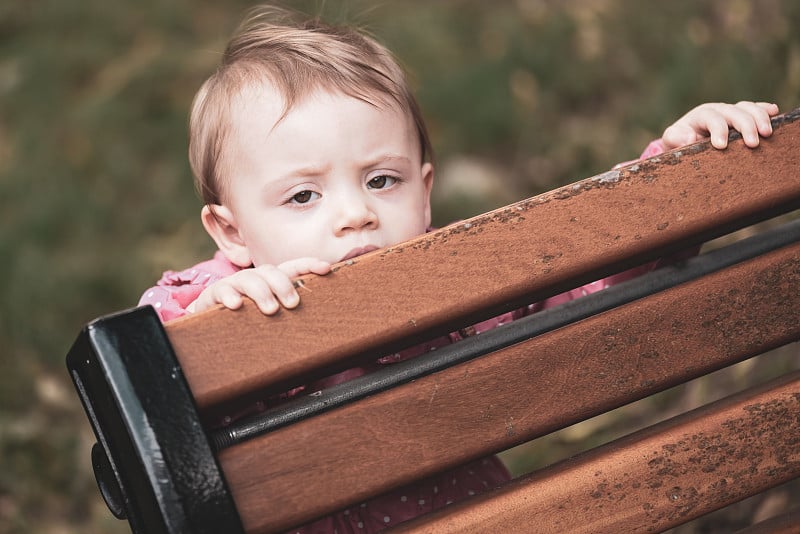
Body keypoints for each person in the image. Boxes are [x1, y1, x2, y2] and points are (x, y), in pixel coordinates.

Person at [138, 5, 779, 532]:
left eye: (381, 180)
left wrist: (670, 180)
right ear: (231, 231)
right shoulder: (223, 300)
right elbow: (146, 378)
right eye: (304, 196)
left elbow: (586, 285)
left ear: (424, 192)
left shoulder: (462, 279)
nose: (356, 214)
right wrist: (206, 336)